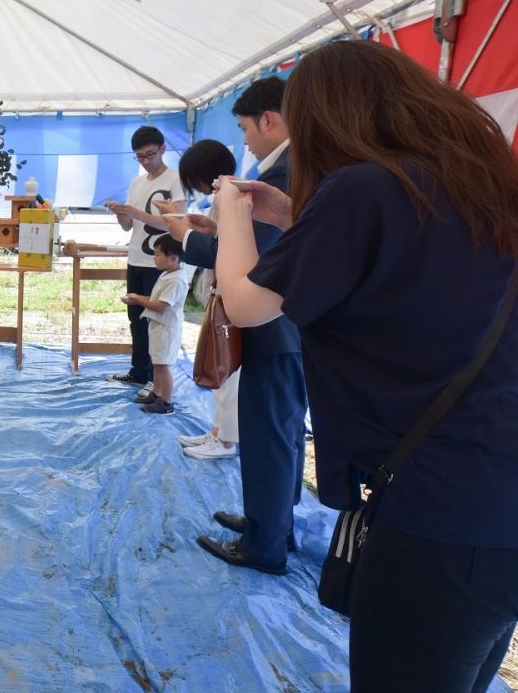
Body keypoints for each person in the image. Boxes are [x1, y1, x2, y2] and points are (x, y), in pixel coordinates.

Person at [215, 41, 518, 693]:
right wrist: (294, 214)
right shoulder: (474, 179)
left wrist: (232, 215)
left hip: (440, 514)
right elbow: (400, 251)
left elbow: (244, 303)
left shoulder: (359, 188)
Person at [171, 79, 307, 575]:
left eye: (246, 128)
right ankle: (270, 522)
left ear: (269, 120)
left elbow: (258, 259)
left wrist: (189, 238)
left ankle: (265, 545)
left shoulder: (288, 173)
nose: (245, 140)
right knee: (284, 432)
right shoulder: (295, 168)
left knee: (269, 434)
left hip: (276, 329)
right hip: (290, 329)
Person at [160, 139, 240, 460]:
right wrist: (206, 228)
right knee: (221, 370)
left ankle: (225, 440)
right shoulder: (223, 197)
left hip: (228, 292)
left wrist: (189, 234)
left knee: (226, 370)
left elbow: (228, 250)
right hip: (219, 290)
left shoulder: (229, 196)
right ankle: (218, 432)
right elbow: (223, 237)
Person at [105, 125, 186, 403]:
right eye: (139, 156)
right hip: (137, 258)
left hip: (163, 263)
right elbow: (129, 227)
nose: (146, 161)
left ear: (163, 149)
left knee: (158, 322)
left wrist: (137, 213)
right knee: (136, 320)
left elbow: (176, 220)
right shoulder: (136, 183)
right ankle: (139, 370)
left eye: (150, 154)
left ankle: (156, 379)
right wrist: (121, 213)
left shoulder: (176, 179)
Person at [121, 234, 187, 414]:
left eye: (157, 254)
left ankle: (166, 402)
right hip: (158, 327)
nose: (154, 258)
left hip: (166, 328)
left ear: (173, 258)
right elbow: (155, 299)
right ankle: (157, 394)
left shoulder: (176, 280)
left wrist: (139, 301)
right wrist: (137, 298)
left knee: (163, 365)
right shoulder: (167, 275)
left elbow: (161, 306)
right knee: (157, 363)